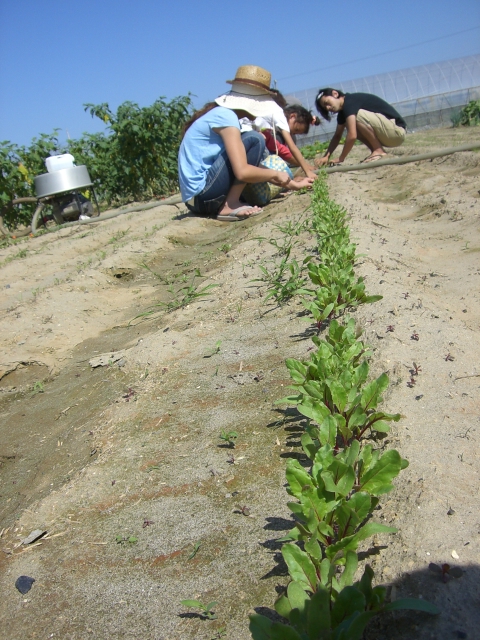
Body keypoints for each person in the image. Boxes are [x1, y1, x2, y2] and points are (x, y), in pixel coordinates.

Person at [178, 65, 314, 222]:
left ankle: (230, 201)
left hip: (196, 202)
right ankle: (230, 204)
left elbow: (251, 167)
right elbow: (243, 172)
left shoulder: (223, 115)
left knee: (253, 139)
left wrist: (293, 185)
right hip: (204, 197)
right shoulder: (226, 117)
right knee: (255, 139)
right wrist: (276, 173)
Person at [314, 88, 407, 166]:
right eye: (325, 107)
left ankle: (378, 150)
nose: (327, 108)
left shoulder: (349, 102)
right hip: (388, 135)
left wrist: (341, 158)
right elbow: (337, 135)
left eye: (327, 103)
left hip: (397, 131)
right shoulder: (343, 112)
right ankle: (376, 151)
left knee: (355, 117)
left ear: (335, 94)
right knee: (350, 121)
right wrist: (326, 156)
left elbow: (352, 135)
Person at [259, 104, 320, 171]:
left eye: (294, 133)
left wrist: (304, 165)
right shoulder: (280, 118)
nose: (291, 133)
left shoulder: (272, 123)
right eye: (296, 129)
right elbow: (292, 147)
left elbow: (280, 148)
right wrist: (307, 170)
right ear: (292, 116)